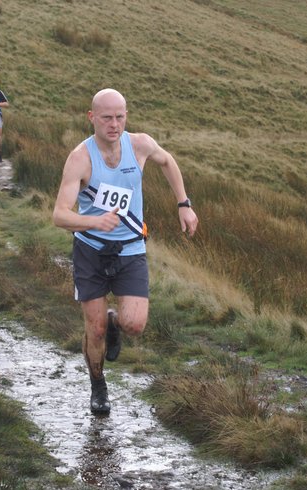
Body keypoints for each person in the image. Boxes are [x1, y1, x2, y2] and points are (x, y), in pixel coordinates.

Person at [53, 88, 198, 414]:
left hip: (130, 250)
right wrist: (93, 222)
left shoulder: (140, 145)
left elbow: (167, 161)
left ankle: (115, 321)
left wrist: (184, 203)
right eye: (107, 118)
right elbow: (59, 214)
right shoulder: (80, 158)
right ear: (92, 118)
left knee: (135, 324)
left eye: (120, 117)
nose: (114, 124)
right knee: (95, 330)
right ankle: (98, 385)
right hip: (91, 251)